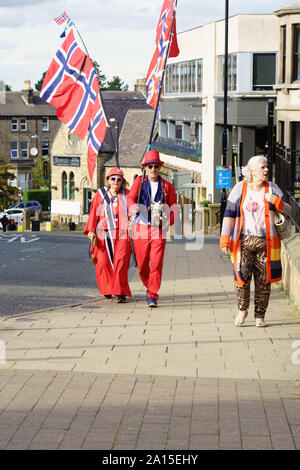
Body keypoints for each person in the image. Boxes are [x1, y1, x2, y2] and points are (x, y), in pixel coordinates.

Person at [220, 155, 292, 327]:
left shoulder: (272, 188)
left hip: (267, 242)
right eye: (262, 167)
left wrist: (276, 201)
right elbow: (228, 215)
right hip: (243, 241)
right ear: (252, 171)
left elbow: (288, 210)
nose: (266, 170)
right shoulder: (240, 188)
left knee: (263, 281)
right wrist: (224, 239)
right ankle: (242, 309)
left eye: (267, 167)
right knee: (242, 277)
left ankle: (260, 315)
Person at [128, 150, 178, 307]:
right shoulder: (139, 183)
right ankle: (149, 286)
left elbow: (174, 208)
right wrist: (133, 206)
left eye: (156, 166)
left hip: (158, 229)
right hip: (141, 227)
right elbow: (130, 198)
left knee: (156, 263)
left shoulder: (167, 186)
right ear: (145, 168)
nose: (153, 169)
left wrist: (167, 222)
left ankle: (152, 294)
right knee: (142, 264)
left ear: (159, 168)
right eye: (150, 166)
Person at [83, 167, 132, 303]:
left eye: (119, 179)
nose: (116, 182)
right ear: (108, 180)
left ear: (123, 181)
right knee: (103, 263)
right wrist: (91, 230)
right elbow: (93, 211)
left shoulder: (127, 194)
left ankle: (120, 292)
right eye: (113, 179)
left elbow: (134, 208)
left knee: (121, 263)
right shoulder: (101, 193)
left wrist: (133, 219)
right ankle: (107, 289)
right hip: (103, 234)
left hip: (122, 234)